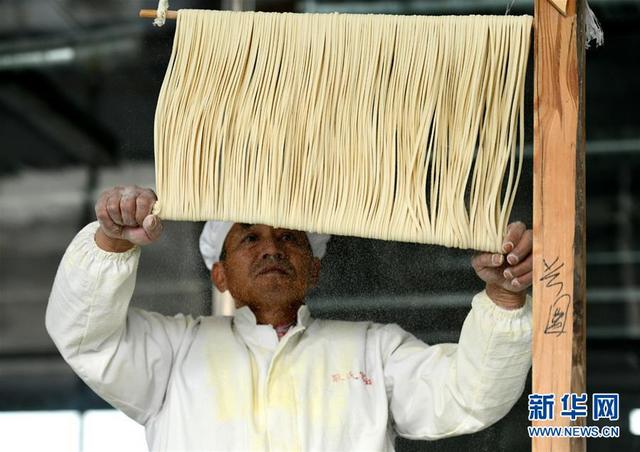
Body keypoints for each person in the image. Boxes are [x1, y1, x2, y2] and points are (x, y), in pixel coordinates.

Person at [46, 185, 533, 451]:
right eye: (250, 238)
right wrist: (112, 242)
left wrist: (504, 296)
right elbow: (87, 338)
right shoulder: (175, 351)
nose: (272, 248)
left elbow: (467, 397)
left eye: (289, 237)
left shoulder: (373, 349)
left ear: (314, 268)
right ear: (220, 274)